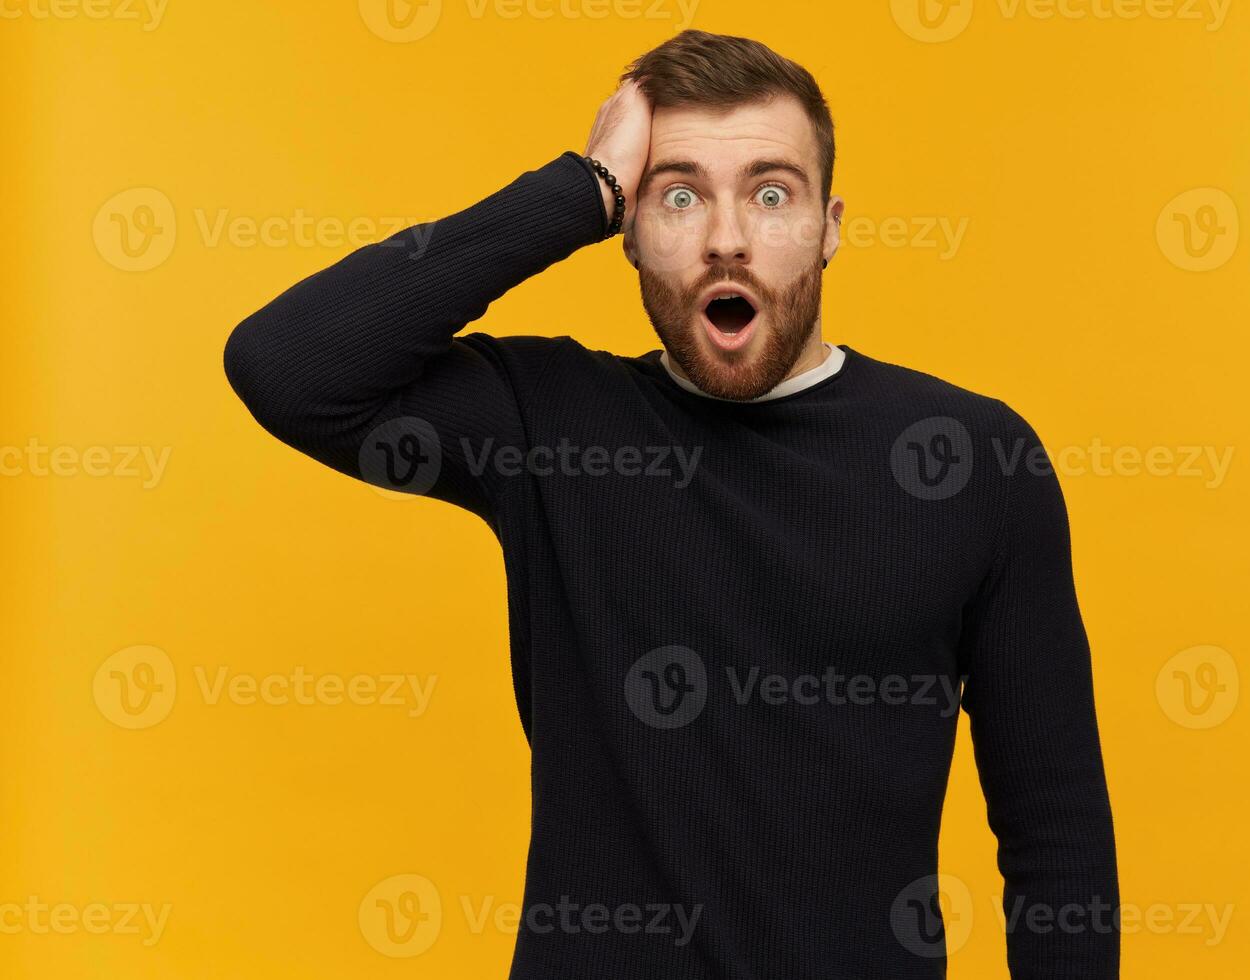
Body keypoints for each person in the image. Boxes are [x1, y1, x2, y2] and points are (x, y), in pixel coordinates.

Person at [224, 28, 1120, 980]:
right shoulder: (550, 428)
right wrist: (579, 187)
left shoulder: (973, 461)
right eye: (678, 195)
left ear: (831, 225)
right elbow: (286, 366)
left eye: (772, 195)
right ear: (631, 232)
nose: (726, 237)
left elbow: (1055, 835)